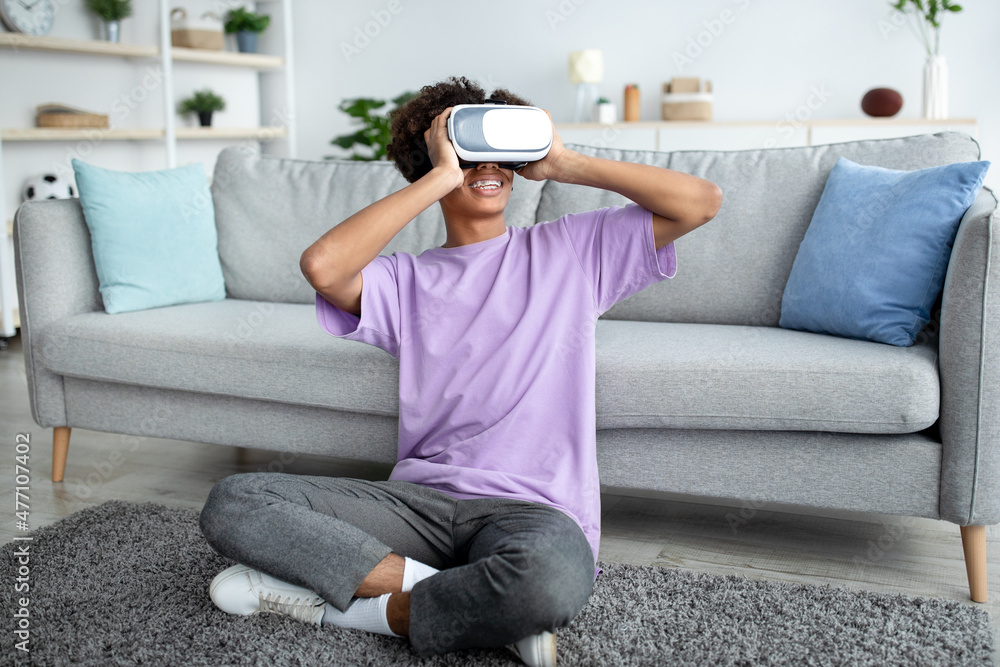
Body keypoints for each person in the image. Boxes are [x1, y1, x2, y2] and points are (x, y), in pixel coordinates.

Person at [199, 75, 722, 666]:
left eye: (498, 155)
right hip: (417, 504)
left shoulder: (574, 252)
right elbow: (323, 266)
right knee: (235, 501)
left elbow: (701, 201)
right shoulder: (405, 280)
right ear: (433, 163)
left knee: (547, 583)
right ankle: (481, 607)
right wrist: (443, 176)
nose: (485, 169)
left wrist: (564, 162)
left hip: (535, 510)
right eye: (467, 155)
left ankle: (360, 605)